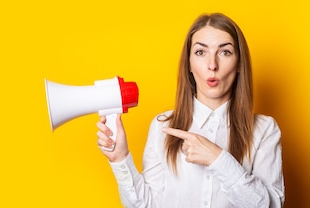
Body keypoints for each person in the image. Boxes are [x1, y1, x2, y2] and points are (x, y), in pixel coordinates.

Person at [96, 13, 284, 207]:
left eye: (225, 52)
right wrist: (120, 159)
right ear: (189, 65)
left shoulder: (265, 130)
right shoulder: (164, 126)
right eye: (201, 52)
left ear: (239, 64)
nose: (212, 65)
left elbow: (270, 205)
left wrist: (218, 159)